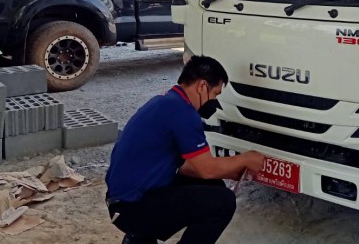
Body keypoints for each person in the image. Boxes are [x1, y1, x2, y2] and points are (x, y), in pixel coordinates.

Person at [105, 55, 265, 244]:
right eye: (215, 94)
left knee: (213, 186)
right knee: (223, 202)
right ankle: (139, 232)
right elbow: (206, 169)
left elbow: (188, 168)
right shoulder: (183, 113)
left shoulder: (166, 102)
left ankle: (139, 239)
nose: (214, 101)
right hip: (132, 207)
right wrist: (246, 159)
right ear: (202, 86)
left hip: (123, 200)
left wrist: (229, 171)